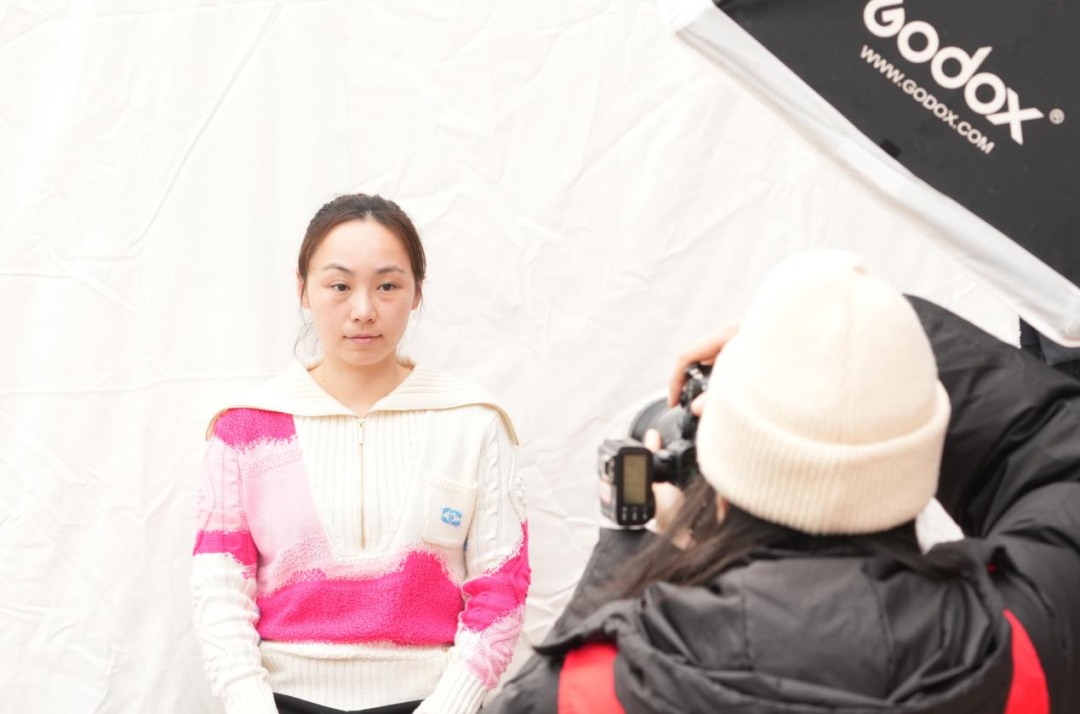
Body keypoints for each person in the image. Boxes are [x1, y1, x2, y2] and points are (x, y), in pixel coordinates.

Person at [486, 250, 1080, 714]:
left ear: (717, 478)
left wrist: (633, 550)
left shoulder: (591, 691)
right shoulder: (1024, 650)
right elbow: (1056, 448)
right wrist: (878, 345)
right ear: (916, 460)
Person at [191, 194, 530, 714]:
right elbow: (220, 591)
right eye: (340, 285)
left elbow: (501, 587)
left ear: (416, 293)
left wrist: (449, 707)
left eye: (388, 285)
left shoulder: (473, 422)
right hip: (280, 700)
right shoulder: (245, 427)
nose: (364, 310)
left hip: (435, 701)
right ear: (303, 289)